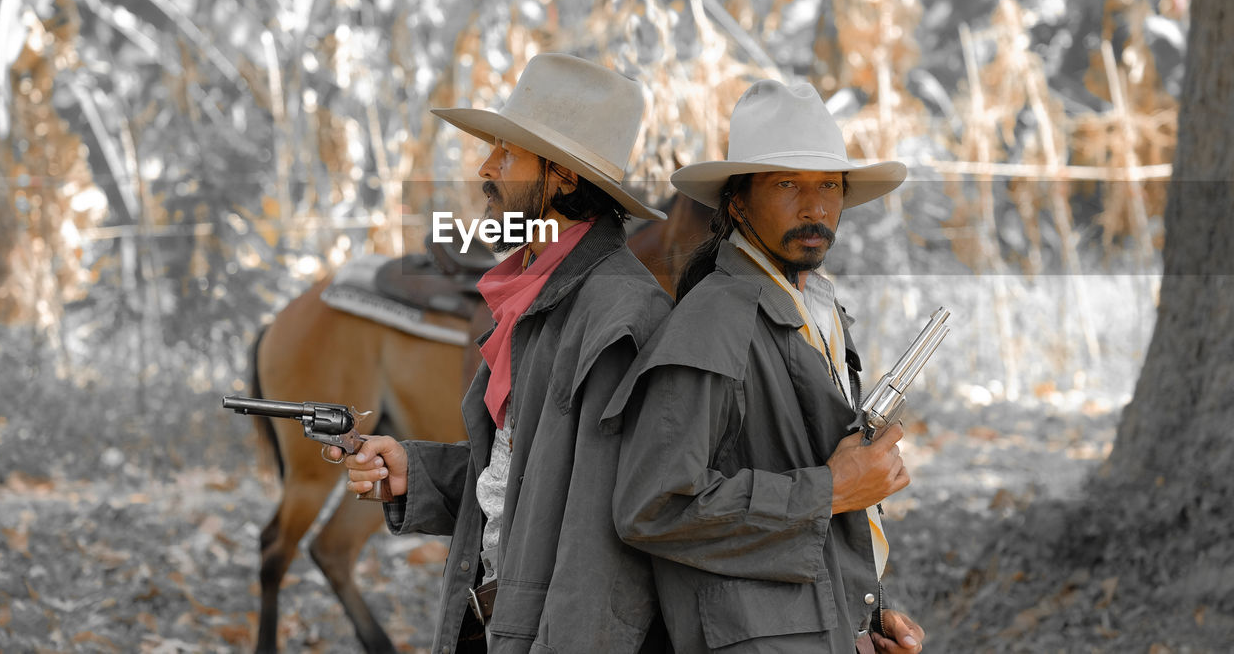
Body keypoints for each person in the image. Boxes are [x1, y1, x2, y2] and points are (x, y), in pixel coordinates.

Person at [331, 53, 674, 653]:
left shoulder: (619, 316)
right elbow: (527, 482)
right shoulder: (542, 289)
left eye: (507, 154)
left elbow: (601, 550)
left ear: (563, 177)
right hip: (492, 620)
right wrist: (419, 475)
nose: (485, 168)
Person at [605, 79, 927, 654]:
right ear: (737, 202)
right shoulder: (714, 320)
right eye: (786, 184)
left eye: (829, 184)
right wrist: (830, 490)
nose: (814, 206)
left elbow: (801, 492)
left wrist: (863, 621)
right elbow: (653, 506)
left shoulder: (819, 310)